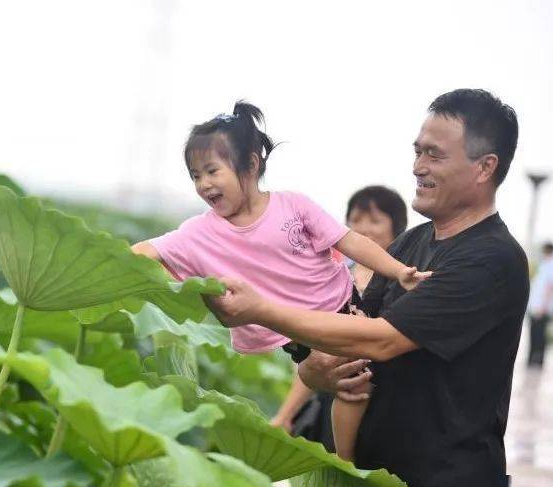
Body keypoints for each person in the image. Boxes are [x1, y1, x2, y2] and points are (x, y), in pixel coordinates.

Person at [205, 88, 528, 487]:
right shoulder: (410, 244)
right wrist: (312, 370)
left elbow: (382, 340)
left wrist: (261, 310)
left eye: (434, 155)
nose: (418, 167)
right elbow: (344, 330)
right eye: (417, 152)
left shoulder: (492, 259)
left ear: (484, 167)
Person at [131, 100, 429, 462]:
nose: (204, 184)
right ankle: (347, 463)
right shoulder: (199, 232)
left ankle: (346, 461)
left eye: (212, 171)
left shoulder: (293, 206)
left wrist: (397, 270)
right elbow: (144, 252)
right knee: (351, 379)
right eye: (195, 175)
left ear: (251, 165)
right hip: (293, 332)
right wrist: (178, 288)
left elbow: (348, 241)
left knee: (356, 381)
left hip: (338, 304)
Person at [273, 185, 408, 453]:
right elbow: (317, 355)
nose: (364, 228)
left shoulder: (403, 279)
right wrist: (285, 415)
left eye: (374, 220)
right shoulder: (333, 277)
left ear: (397, 226)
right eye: (356, 219)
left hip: (390, 407)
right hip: (334, 399)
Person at [527, 242, 553, 367]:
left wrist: (543, 306)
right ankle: (532, 359)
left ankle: (537, 360)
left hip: (542, 308)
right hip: (537, 306)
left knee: (539, 334)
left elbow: (551, 287)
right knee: (534, 333)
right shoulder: (545, 264)